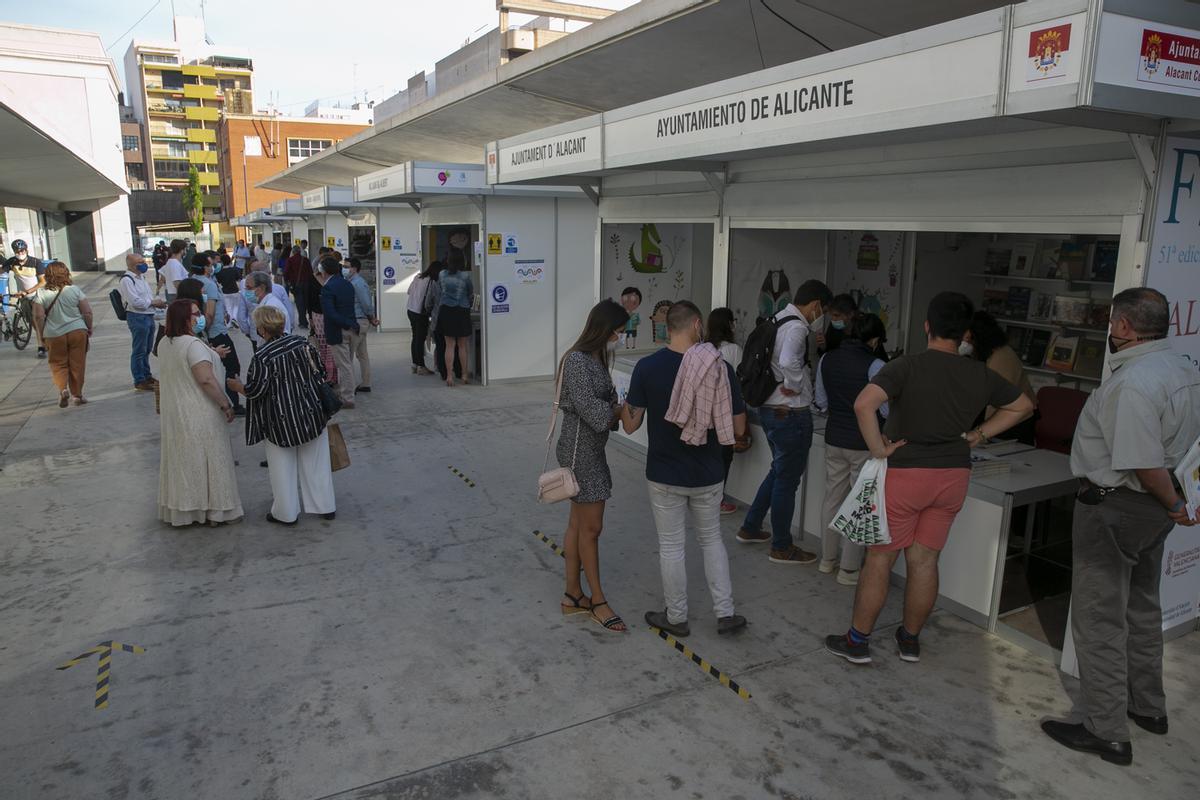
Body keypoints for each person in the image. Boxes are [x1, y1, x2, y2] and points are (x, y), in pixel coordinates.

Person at [824, 292, 1033, 666]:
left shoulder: (907, 366)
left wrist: (878, 449)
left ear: (927, 327)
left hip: (906, 473)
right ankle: (909, 640)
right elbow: (1022, 406)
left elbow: (864, 404)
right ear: (965, 334)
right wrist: (978, 435)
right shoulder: (980, 372)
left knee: (879, 560)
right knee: (925, 561)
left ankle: (858, 641)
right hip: (952, 475)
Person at [1041, 288, 1200, 766]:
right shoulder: (1184, 369)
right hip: (1151, 512)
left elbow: (1144, 463)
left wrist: (1174, 504)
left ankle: (1106, 729)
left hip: (1118, 508)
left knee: (1100, 618)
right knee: (1142, 607)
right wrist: (1173, 504)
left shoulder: (1133, 383)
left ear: (1125, 328)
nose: (1108, 330)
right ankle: (1148, 708)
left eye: (1111, 323)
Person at [623, 301, 749, 637]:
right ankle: (725, 613)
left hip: (664, 474)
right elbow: (738, 427)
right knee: (711, 542)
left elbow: (631, 424)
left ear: (667, 326)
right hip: (709, 473)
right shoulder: (719, 368)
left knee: (672, 547)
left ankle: (676, 617)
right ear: (696, 324)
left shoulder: (647, 367)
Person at [736, 279, 832, 564]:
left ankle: (751, 526)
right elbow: (790, 361)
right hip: (789, 413)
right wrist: (794, 384)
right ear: (815, 305)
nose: (821, 316)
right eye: (823, 310)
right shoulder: (798, 327)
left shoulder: (777, 318)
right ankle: (781, 545)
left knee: (779, 470)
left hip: (770, 410)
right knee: (787, 481)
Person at [555, 299, 629, 632]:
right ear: (604, 328)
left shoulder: (596, 357)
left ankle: (573, 594)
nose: (620, 336)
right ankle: (597, 599)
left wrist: (616, 409)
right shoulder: (577, 361)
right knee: (591, 528)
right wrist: (618, 411)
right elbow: (598, 413)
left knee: (577, 525)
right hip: (579, 452)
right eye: (618, 330)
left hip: (588, 449)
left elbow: (608, 405)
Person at [227, 305, 336, 525]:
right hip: (311, 412)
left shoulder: (263, 357)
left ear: (262, 330)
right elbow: (322, 373)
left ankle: (286, 513)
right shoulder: (303, 344)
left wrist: (237, 386)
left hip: (279, 421)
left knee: (282, 470)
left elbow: (256, 390)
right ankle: (325, 506)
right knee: (317, 464)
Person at [814, 313, 890, 586]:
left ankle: (826, 560)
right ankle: (848, 570)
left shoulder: (827, 359)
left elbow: (821, 401)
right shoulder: (876, 364)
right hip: (863, 443)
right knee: (859, 504)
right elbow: (884, 408)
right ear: (874, 339)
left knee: (832, 497)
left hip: (834, 438)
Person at [156, 299, 243, 527]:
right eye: (195, 313)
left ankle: (188, 509)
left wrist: (213, 354)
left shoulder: (165, 343)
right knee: (210, 459)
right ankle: (215, 510)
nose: (200, 316)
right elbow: (205, 379)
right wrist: (225, 404)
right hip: (199, 411)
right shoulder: (192, 344)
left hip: (176, 412)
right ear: (185, 318)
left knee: (185, 462)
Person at [962, 311, 1037, 445]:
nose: (965, 342)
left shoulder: (1002, 357)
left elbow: (995, 402)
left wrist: (980, 434)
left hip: (1012, 423)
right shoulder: (980, 354)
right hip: (996, 419)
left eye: (968, 338)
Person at [190, 255, 244, 417]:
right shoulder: (208, 284)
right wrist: (203, 331)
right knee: (232, 367)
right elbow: (210, 312)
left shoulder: (195, 280)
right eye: (212, 264)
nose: (215, 266)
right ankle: (233, 403)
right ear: (205, 267)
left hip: (211, 332)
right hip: (217, 333)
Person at [32, 262, 92, 407]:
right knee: (78, 364)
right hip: (77, 330)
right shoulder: (75, 290)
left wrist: (42, 334)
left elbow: (39, 317)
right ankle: (77, 395)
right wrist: (88, 327)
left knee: (58, 364)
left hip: (54, 334)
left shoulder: (41, 293)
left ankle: (63, 389)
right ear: (66, 273)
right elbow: (87, 312)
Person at [705, 307, 743, 515]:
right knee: (723, 456)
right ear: (728, 324)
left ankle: (704, 497)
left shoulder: (702, 347)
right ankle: (717, 500)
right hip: (724, 411)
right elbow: (740, 381)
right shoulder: (733, 350)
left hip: (704, 410)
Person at [117, 251, 166, 391]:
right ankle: (139, 379)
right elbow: (135, 302)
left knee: (147, 348)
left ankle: (146, 374)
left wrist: (155, 305)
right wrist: (153, 303)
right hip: (137, 317)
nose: (144, 264)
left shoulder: (141, 277)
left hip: (148, 315)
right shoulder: (127, 280)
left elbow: (146, 296)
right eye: (140, 263)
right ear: (132, 265)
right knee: (139, 349)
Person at [319, 258, 360, 408]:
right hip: (352, 329)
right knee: (347, 363)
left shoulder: (327, 288)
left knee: (344, 365)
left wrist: (347, 324)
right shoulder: (347, 284)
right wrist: (352, 324)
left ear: (324, 271)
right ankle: (346, 393)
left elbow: (330, 313)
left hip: (339, 330)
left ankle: (347, 398)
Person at [435, 250, 474, 387]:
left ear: (448, 260)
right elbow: (470, 293)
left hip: (446, 311)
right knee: (462, 345)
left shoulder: (441, 274)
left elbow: (440, 291)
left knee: (449, 345)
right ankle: (463, 375)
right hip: (461, 311)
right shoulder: (465, 276)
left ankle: (449, 376)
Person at [4, 238, 48, 357]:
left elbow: (42, 282)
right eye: (18, 251)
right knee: (32, 321)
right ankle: (43, 338)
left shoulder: (35, 262)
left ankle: (41, 347)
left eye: (22, 251)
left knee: (38, 318)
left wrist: (28, 291)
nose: (20, 253)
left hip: (36, 294)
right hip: (22, 296)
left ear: (26, 250)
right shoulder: (12, 262)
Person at [423, 264, 463, 382]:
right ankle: (458, 371)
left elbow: (427, 303)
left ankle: (444, 374)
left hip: (438, 319)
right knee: (455, 346)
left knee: (441, 347)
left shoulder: (435, 283)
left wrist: (431, 310)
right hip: (454, 318)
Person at [345, 258, 378, 393]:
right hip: (360, 321)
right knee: (362, 354)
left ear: (354, 268)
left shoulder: (358, 283)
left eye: (347, 267)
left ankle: (350, 386)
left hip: (359, 321)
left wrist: (371, 317)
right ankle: (366, 383)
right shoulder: (352, 282)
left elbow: (366, 303)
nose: (345, 269)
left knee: (349, 355)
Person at [241, 271, 292, 351]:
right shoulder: (265, 304)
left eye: (249, 288)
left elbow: (274, 339)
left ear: (261, 288)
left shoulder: (270, 308)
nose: (246, 291)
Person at [407, 261, 437, 375]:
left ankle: (415, 364)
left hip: (410, 310)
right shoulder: (431, 281)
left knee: (415, 337)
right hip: (420, 313)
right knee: (420, 339)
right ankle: (421, 366)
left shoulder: (418, 276)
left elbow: (409, 291)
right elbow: (430, 299)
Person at [284, 246, 311, 328]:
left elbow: (286, 272)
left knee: (299, 303)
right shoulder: (305, 260)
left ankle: (303, 322)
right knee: (307, 302)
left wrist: (287, 282)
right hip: (307, 284)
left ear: (293, 251)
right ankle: (310, 319)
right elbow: (310, 272)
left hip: (296, 284)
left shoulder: (290, 260)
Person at [215, 252, 243, 327]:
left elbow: (219, 281)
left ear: (221, 262)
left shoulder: (219, 272)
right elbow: (238, 279)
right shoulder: (234, 270)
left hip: (225, 292)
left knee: (228, 308)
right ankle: (234, 318)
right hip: (235, 291)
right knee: (236, 306)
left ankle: (229, 323)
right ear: (230, 261)